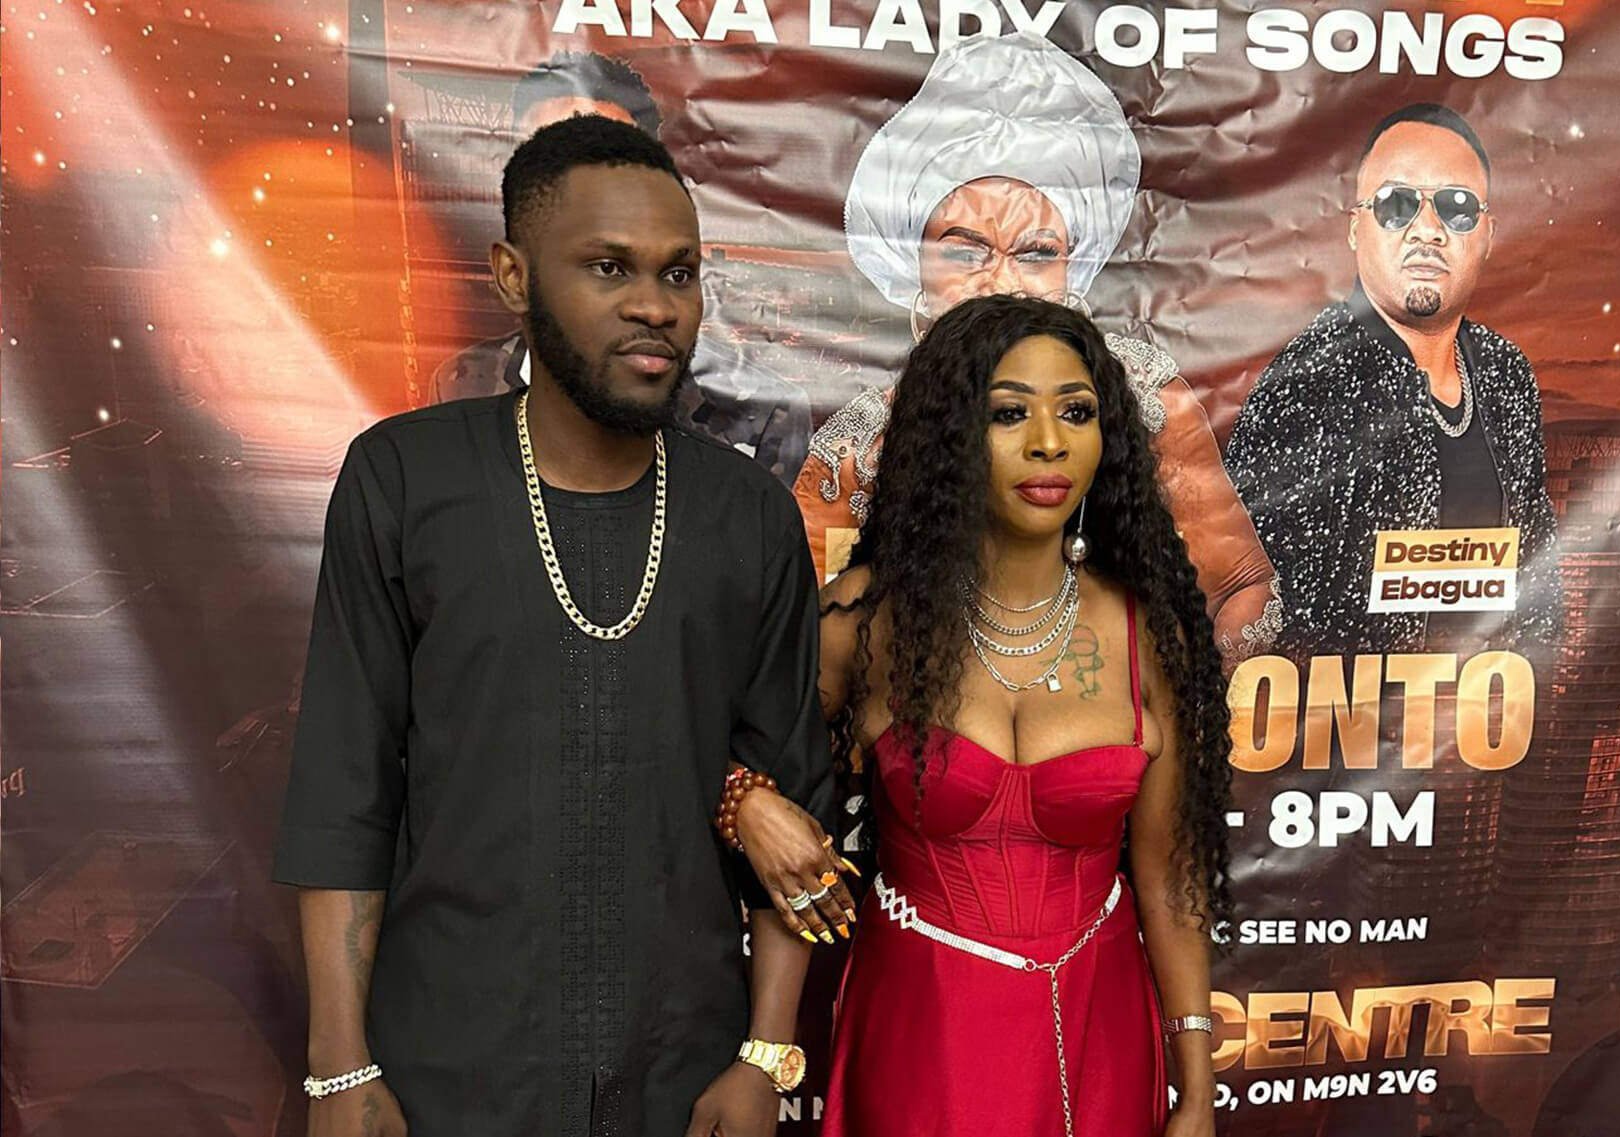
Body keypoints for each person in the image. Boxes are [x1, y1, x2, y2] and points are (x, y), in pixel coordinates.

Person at [272, 115, 847, 1137]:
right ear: (513, 276)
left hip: (682, 1074)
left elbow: (788, 799)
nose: (654, 305)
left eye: (679, 274)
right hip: (447, 1071)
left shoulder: (748, 515)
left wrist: (764, 1056)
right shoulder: (404, 481)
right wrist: (338, 1066)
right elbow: (343, 790)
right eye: (609, 267)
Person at [804, 295, 1231, 1136]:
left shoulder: (1149, 635)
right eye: (1009, 413)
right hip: (925, 1031)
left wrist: (1196, 1082)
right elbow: (758, 771)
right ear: (949, 436)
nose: (1048, 442)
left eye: (1077, 411)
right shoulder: (866, 617)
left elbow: (1171, 877)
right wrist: (745, 799)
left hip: (1100, 1026)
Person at [796, 31, 1282, 664]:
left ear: (1073, 267)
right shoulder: (859, 453)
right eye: (965, 253)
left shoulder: (1144, 403)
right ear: (915, 266)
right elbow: (803, 642)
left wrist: (1183, 704)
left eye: (1035, 254)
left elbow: (1244, 588)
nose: (1002, 283)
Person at [1224, 103, 1559, 660]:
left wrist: (1535, 677)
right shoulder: (1303, 385)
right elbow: (1247, 596)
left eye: (1457, 207)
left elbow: (1537, 561)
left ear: (1487, 235)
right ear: (1356, 229)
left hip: (1491, 707)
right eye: (1396, 204)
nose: (1427, 230)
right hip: (1338, 710)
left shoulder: (1506, 373)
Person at [431, 51, 814, 487]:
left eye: (610, 158)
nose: (582, 190)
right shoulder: (464, 384)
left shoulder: (762, 411)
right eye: (547, 160)